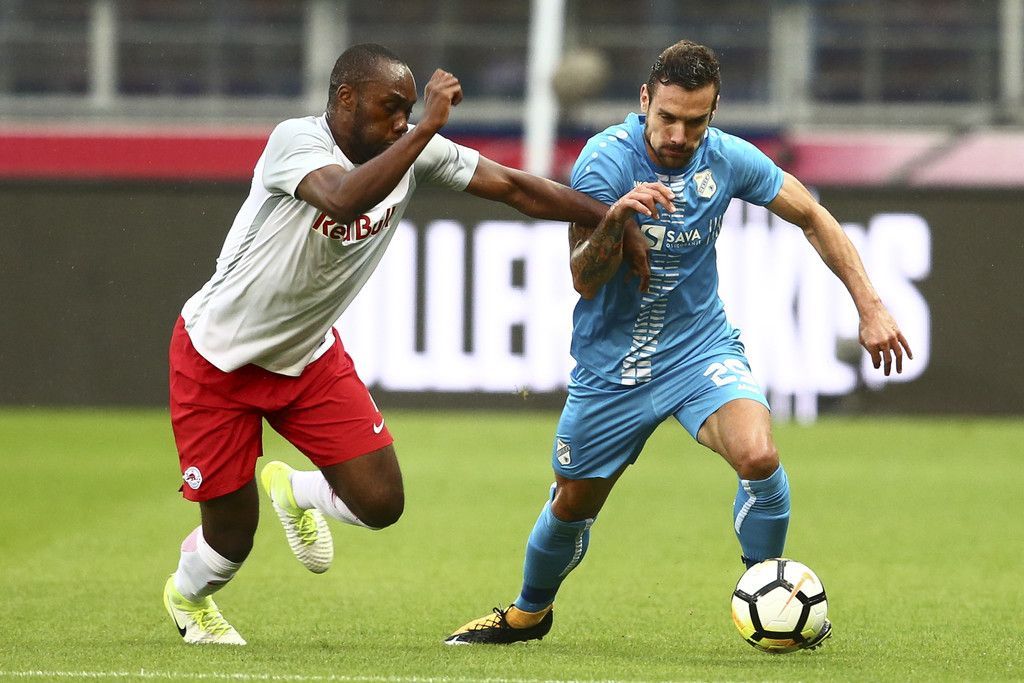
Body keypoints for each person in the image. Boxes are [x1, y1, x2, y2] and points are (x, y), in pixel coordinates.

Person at [161, 43, 645, 645]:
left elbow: (514, 187)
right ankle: (187, 597)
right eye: (390, 107)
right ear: (345, 98)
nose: (401, 121)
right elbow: (344, 198)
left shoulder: (413, 148)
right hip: (216, 359)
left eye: (408, 110)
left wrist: (610, 216)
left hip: (306, 357)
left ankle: (296, 490)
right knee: (231, 540)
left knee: (381, 503)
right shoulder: (297, 141)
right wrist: (425, 130)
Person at [445, 40, 912, 647]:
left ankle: (767, 594)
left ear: (713, 113)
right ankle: (529, 614)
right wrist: (615, 218)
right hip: (613, 368)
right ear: (645, 100)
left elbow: (812, 215)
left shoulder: (727, 159)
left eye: (694, 122)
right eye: (667, 117)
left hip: (699, 351)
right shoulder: (605, 161)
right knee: (571, 504)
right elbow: (583, 278)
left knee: (759, 457)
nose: (678, 135)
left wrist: (871, 306)